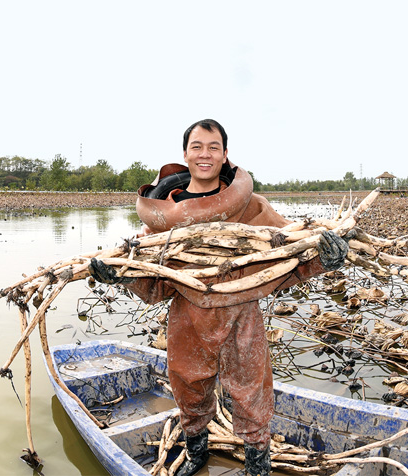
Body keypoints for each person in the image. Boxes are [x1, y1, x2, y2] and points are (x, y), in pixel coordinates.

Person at [89, 119, 348, 476]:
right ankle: (197, 456)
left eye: (213, 147)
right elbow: (155, 285)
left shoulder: (252, 207)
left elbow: (288, 259)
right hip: (188, 315)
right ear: (185, 154)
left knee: (252, 395)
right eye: (197, 146)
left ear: (226, 155)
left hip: (242, 314)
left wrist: (323, 259)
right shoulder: (164, 221)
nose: (205, 154)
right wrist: (120, 275)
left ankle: (257, 466)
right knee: (188, 388)